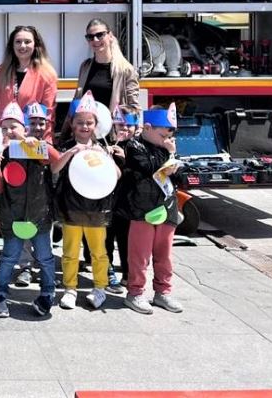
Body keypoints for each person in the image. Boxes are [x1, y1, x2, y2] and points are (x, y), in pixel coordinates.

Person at [52, 92, 120, 311]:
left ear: (96, 125)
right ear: (72, 124)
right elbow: (54, 168)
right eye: (80, 122)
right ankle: (69, 288)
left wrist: (105, 156)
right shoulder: (65, 145)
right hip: (72, 207)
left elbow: (117, 175)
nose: (84, 126)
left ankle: (100, 287)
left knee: (99, 252)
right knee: (70, 251)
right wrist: (72, 151)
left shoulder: (101, 147)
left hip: (96, 209)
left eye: (89, 123)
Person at [0, 102, 57, 318]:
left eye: (14, 127)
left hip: (40, 215)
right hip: (13, 216)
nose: (10, 131)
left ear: (24, 127)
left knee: (45, 258)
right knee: (9, 257)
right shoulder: (4, 153)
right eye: (5, 128)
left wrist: (37, 146)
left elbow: (57, 163)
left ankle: (47, 294)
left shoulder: (38, 146)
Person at [121, 104, 184, 315]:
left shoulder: (167, 149)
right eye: (162, 135)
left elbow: (180, 177)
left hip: (167, 207)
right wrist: (168, 154)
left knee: (164, 255)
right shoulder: (134, 146)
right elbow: (148, 168)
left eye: (170, 136)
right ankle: (135, 292)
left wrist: (171, 156)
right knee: (140, 255)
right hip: (142, 208)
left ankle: (162, 292)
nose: (167, 139)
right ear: (147, 128)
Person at [63, 18, 139, 139]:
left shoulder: (125, 70)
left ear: (110, 35)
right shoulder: (85, 66)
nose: (95, 40)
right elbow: (77, 101)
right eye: (90, 37)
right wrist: (65, 134)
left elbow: (134, 107)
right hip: (86, 135)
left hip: (112, 136)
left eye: (100, 35)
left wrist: (132, 133)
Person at [0, 26, 58, 141]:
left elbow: (48, 113)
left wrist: (46, 142)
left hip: (29, 140)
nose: (22, 46)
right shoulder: (0, 71)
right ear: (12, 45)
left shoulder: (47, 74)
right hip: (2, 138)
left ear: (36, 45)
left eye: (27, 42)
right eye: (18, 42)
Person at [110, 106, 141, 287]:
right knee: (108, 238)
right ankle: (108, 270)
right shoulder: (109, 145)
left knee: (126, 240)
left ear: (136, 127)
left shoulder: (138, 147)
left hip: (129, 201)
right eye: (120, 124)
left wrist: (125, 159)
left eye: (129, 125)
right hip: (110, 200)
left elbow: (139, 172)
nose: (124, 128)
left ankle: (127, 273)